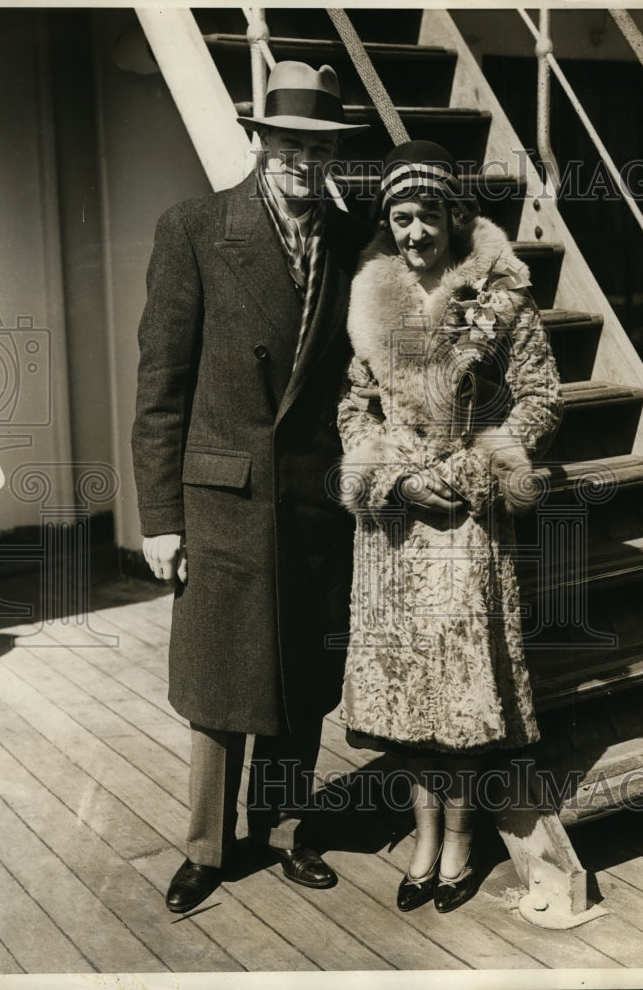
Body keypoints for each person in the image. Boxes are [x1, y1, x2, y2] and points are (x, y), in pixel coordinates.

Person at [131, 61, 370, 913]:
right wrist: (160, 519)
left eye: (318, 147)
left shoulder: (349, 238)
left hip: (314, 498)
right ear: (261, 142)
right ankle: (206, 846)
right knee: (221, 684)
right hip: (222, 501)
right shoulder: (195, 228)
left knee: (300, 678)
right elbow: (161, 386)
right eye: (288, 142)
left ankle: (277, 829)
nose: (302, 160)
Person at [336, 140, 563, 913]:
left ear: (454, 214)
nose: (413, 233)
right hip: (396, 524)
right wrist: (390, 479)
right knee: (409, 695)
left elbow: (539, 397)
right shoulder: (371, 295)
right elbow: (354, 406)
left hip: (464, 520)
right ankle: (423, 837)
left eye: (426, 215)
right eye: (399, 219)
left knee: (460, 693)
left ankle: (462, 840)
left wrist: (470, 471)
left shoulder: (500, 294)